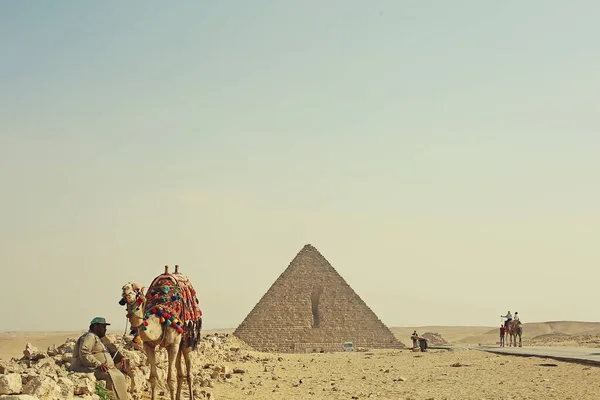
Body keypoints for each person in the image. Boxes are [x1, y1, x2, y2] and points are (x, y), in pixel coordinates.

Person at [70, 317, 129, 400]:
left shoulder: (98, 338)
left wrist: (120, 357)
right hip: (88, 367)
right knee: (112, 377)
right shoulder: (89, 336)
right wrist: (98, 364)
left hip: (101, 368)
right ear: (96, 327)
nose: (105, 329)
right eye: (103, 327)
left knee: (120, 376)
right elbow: (84, 352)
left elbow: (110, 348)